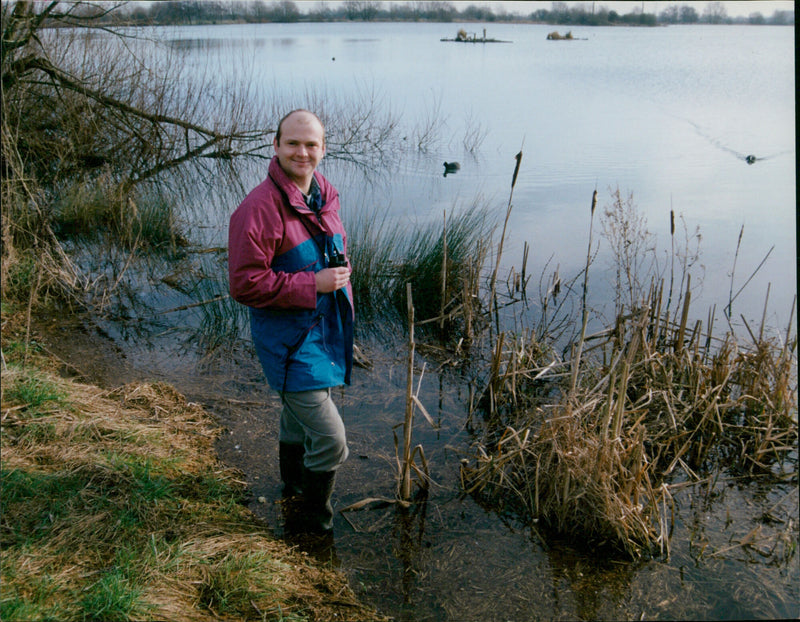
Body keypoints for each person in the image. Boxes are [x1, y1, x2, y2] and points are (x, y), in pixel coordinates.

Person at [228, 109, 353, 534]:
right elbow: (244, 284)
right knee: (332, 440)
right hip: (289, 343)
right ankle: (313, 524)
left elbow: (330, 252)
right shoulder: (258, 208)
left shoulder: (324, 196)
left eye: (311, 144)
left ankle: (292, 488)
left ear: (323, 149)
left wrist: (338, 276)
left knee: (296, 419)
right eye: (293, 143)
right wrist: (313, 283)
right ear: (276, 146)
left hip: (323, 332)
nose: (302, 152)